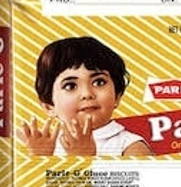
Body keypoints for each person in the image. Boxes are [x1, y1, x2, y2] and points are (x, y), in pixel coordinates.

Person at [17, 36, 152, 156]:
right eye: (70, 86)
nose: (87, 94)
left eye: (99, 82)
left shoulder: (131, 147)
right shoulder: (48, 147)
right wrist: (40, 158)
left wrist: (84, 158)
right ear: (49, 106)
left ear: (117, 96)